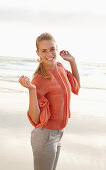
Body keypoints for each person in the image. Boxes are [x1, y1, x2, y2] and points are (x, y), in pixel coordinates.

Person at [18, 32, 80, 170]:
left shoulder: (60, 67)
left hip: (59, 134)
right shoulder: (39, 79)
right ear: (38, 53)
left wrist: (72, 61)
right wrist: (32, 90)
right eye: (44, 51)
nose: (49, 54)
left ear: (56, 48)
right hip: (45, 136)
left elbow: (76, 87)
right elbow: (35, 119)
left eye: (52, 49)